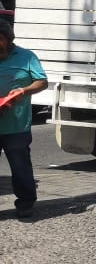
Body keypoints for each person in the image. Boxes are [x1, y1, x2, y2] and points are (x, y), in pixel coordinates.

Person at [0, 18, 47, 220]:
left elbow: (41, 82)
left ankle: (26, 203)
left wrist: (24, 91)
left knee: (20, 166)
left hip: (16, 125)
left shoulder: (26, 57)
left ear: (9, 40)